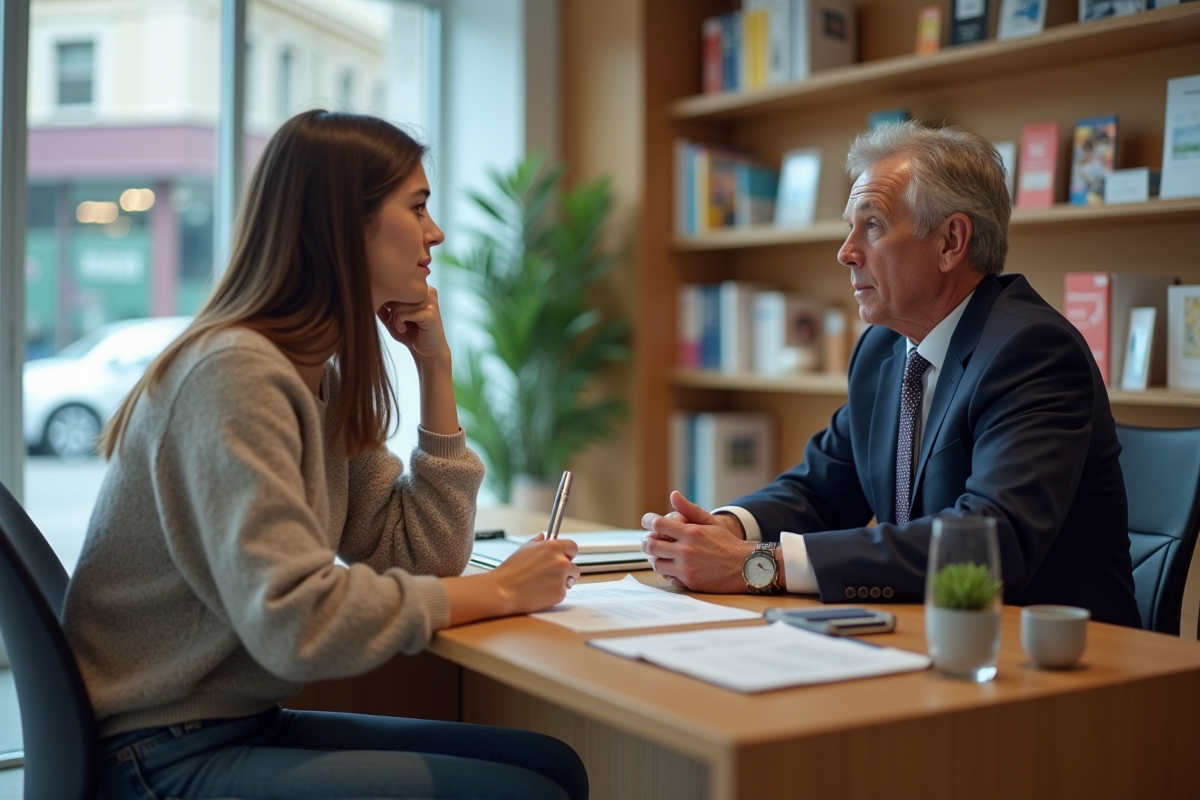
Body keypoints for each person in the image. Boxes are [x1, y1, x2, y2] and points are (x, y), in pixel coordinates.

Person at [62, 110, 588, 800]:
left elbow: (420, 554)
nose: (436, 233)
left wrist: (435, 370)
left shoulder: (315, 376)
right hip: (155, 751)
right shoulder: (236, 374)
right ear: (346, 223)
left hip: (229, 723)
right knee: (530, 794)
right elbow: (297, 621)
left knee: (553, 768)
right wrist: (503, 589)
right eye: (418, 207)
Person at [641, 121, 1140, 628]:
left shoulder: (1032, 351)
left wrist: (756, 565)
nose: (846, 251)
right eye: (849, 226)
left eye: (872, 225)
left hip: (1055, 663)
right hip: (928, 635)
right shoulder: (884, 348)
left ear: (951, 240)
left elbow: (989, 541)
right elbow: (822, 488)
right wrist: (723, 530)